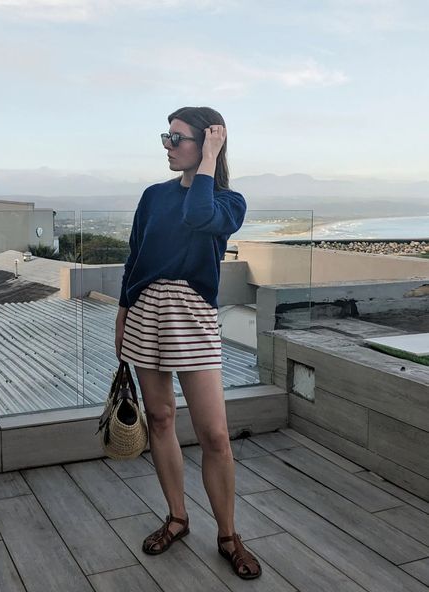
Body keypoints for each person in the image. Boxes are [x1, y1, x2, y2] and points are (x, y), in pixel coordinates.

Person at [115, 106, 262, 580]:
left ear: (207, 144)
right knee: (160, 418)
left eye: (177, 138)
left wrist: (209, 164)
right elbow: (134, 259)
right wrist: (121, 317)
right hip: (144, 313)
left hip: (193, 318)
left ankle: (227, 535)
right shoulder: (152, 197)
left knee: (215, 435)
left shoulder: (227, 201)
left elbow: (200, 217)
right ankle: (177, 517)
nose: (167, 145)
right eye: (166, 136)